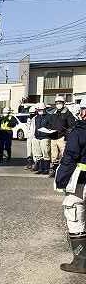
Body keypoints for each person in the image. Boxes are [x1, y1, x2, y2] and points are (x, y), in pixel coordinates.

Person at [55, 100, 86, 273]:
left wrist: (61, 180)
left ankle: (80, 262)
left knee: (74, 213)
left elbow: (69, 159)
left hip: (81, 180)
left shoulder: (79, 132)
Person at [45, 94, 76, 177]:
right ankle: (54, 169)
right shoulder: (53, 113)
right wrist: (48, 129)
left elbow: (72, 125)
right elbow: (49, 123)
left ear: (63, 103)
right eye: (57, 103)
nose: (58, 104)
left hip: (62, 137)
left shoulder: (67, 113)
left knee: (63, 154)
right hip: (53, 136)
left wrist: (66, 133)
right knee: (53, 155)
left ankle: (63, 171)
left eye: (60, 102)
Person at [33, 102, 52, 175]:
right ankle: (40, 168)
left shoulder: (49, 117)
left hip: (45, 137)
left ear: (44, 109)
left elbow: (51, 127)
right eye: (38, 110)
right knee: (38, 154)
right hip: (37, 137)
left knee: (45, 153)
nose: (39, 111)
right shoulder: (36, 117)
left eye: (40, 109)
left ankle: (46, 169)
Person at [25, 105, 37, 170]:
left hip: (35, 136)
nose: (31, 114)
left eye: (33, 113)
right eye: (30, 113)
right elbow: (28, 128)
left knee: (35, 150)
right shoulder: (29, 119)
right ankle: (29, 163)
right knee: (29, 150)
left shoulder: (37, 118)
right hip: (29, 137)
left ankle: (35, 164)